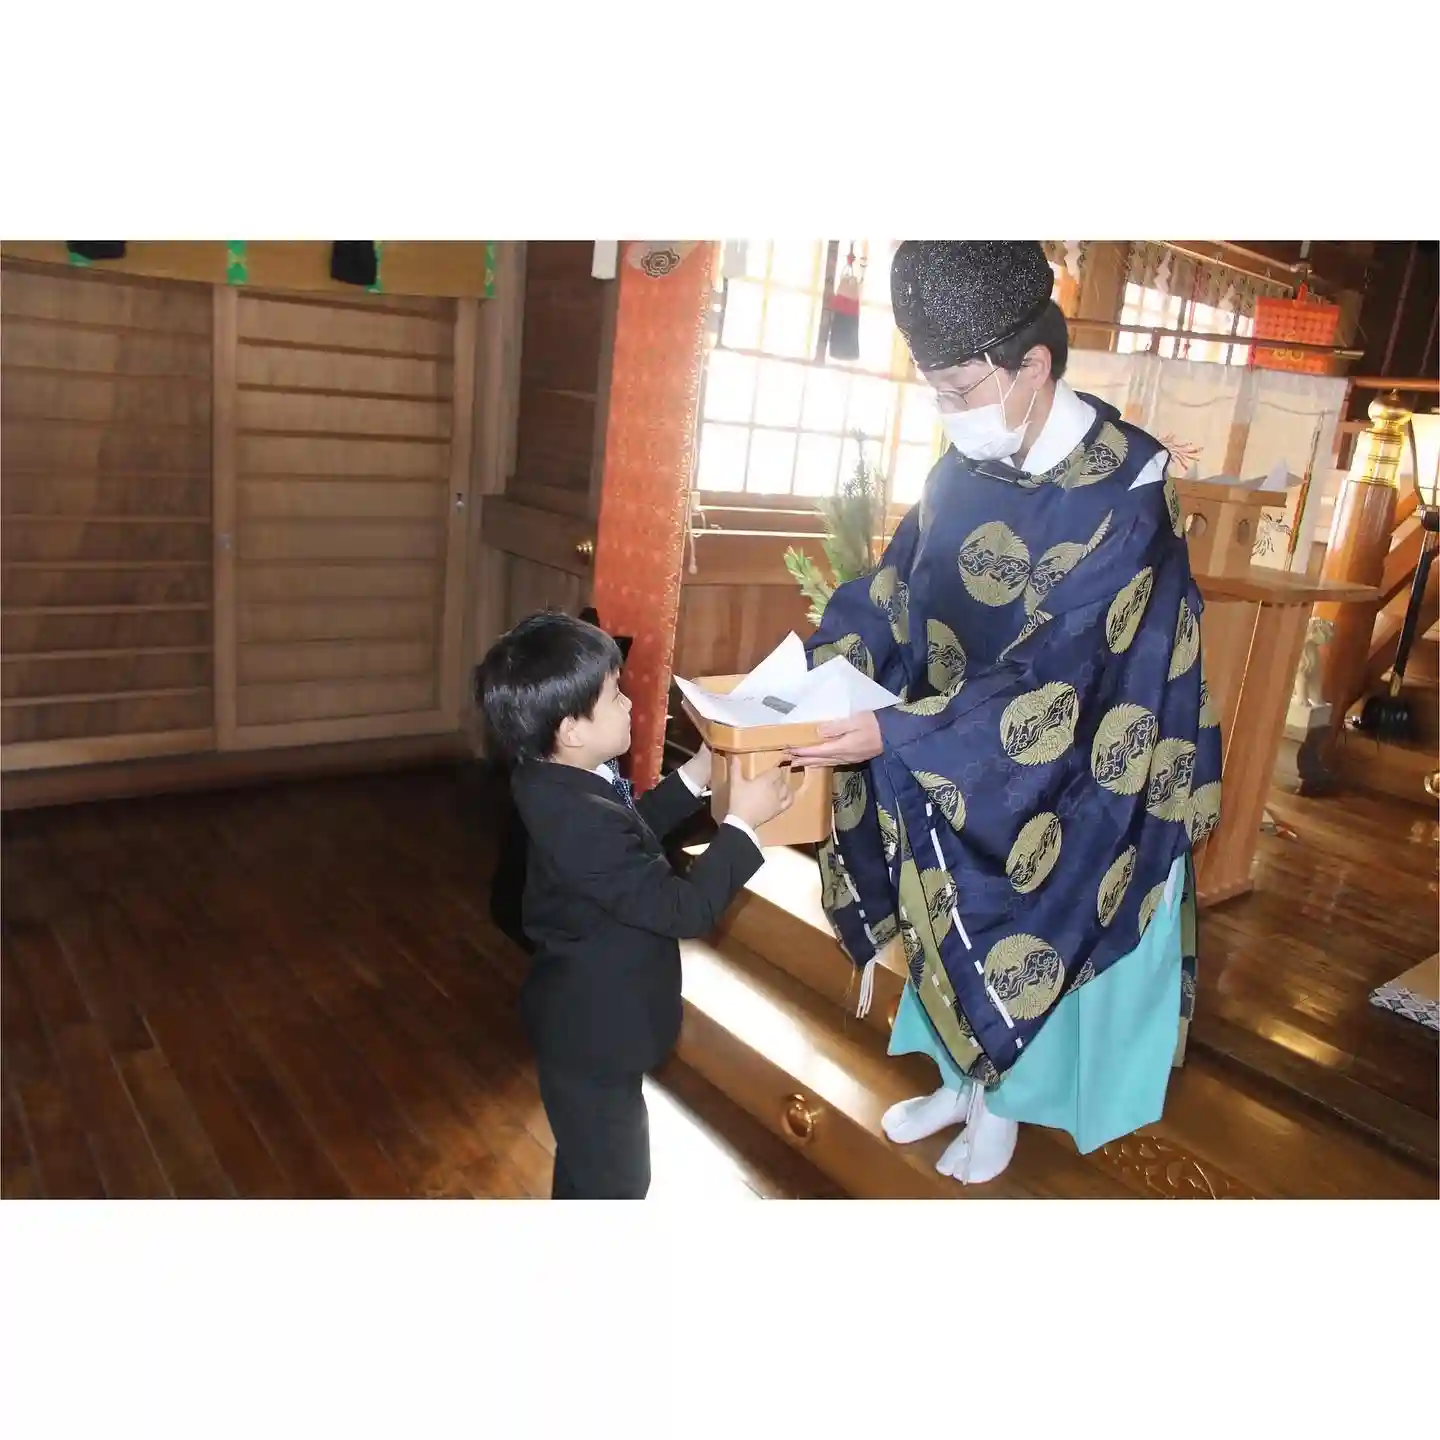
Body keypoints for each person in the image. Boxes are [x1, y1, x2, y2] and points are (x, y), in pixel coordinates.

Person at [790, 241, 1222, 1185]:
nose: (951, 412)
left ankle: (1008, 1101)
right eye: (936, 391)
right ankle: (960, 1078)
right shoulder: (966, 462)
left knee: (1031, 921)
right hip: (959, 737)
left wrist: (903, 731)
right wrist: (825, 672)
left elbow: (1070, 665)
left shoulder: (1129, 486)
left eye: (960, 389)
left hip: (1087, 761)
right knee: (947, 901)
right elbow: (901, 586)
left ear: (1033, 365)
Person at [475, 611, 793, 1199]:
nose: (630, 705)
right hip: (594, 1039)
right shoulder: (575, 818)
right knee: (618, 1184)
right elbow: (684, 909)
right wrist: (743, 825)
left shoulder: (558, 778)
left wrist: (695, 775)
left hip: (587, 1028)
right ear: (571, 729)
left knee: (586, 1170)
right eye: (615, 695)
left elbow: (630, 835)